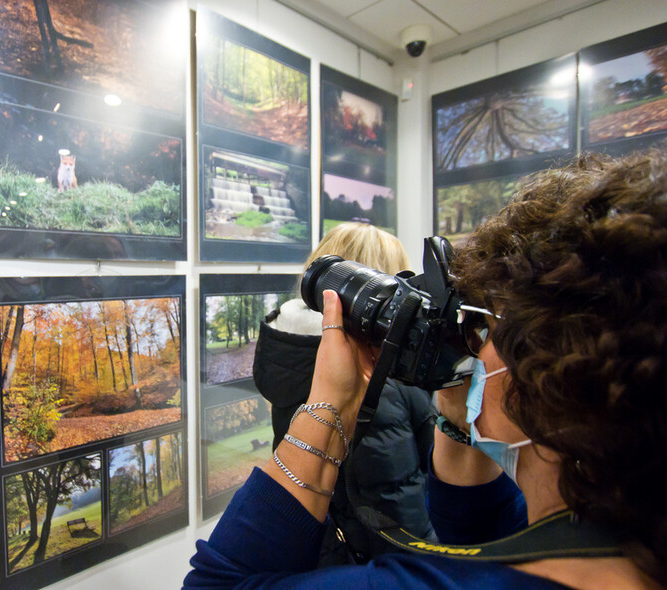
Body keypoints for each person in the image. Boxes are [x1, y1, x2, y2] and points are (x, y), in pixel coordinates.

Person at [184, 150, 667, 589]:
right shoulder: (619, 529)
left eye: (485, 327)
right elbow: (482, 531)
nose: (472, 345)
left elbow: (213, 585)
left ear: (542, 368)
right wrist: (458, 417)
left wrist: (330, 405)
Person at [252, 222, 437, 563]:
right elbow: (399, 511)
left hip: (322, 557)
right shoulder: (375, 381)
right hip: (382, 570)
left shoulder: (296, 354)